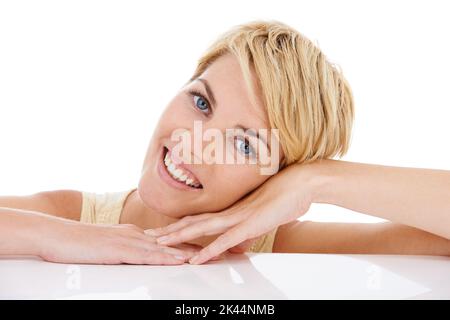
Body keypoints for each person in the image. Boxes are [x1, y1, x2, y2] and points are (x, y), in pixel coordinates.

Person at [1, 20, 449, 265]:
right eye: (200, 101)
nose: (195, 143)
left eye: (246, 144)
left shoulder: (286, 251)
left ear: (280, 179)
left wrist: (319, 179)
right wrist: (53, 236)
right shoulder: (71, 214)